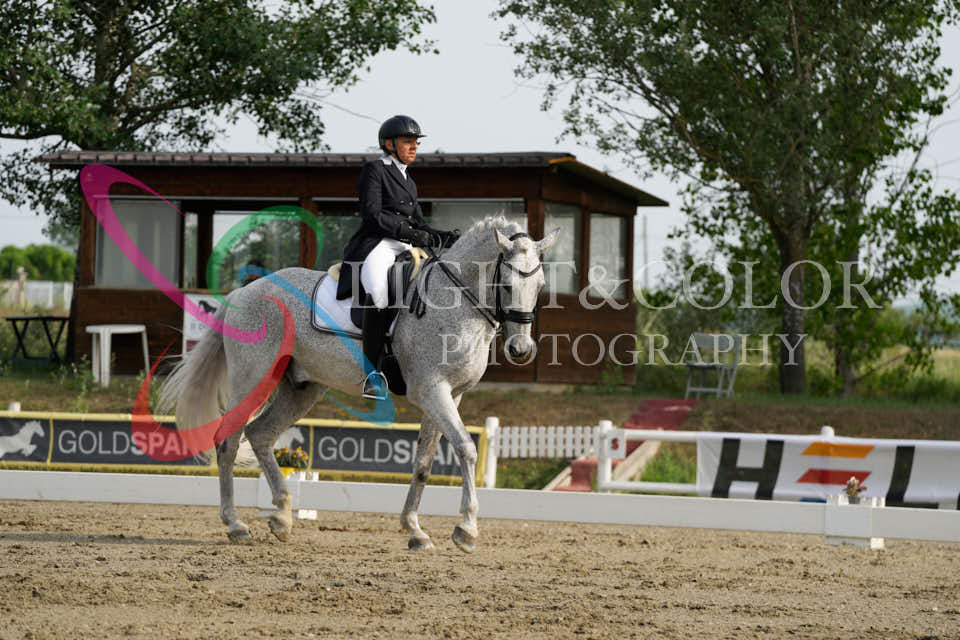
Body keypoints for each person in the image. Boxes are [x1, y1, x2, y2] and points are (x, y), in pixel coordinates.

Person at [336, 115, 459, 398]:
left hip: (404, 247)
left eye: (416, 142)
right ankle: (371, 374)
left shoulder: (409, 181)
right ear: (389, 144)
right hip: (377, 243)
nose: (414, 147)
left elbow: (420, 224)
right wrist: (411, 233)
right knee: (379, 293)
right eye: (407, 141)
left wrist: (445, 237)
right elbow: (372, 214)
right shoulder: (375, 170)